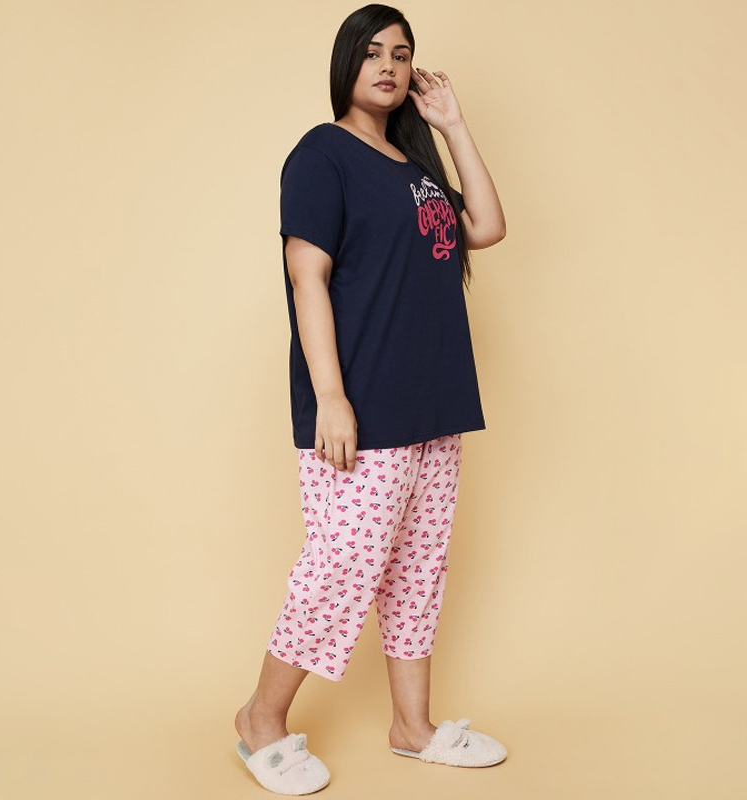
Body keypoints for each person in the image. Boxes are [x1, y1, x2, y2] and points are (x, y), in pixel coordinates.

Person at [235, 4, 507, 794]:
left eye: (402, 53)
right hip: (364, 404)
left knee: (419, 565)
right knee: (342, 563)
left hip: (435, 404)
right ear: (346, 62)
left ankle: (412, 728)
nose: (388, 65)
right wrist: (331, 395)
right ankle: (260, 720)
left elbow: (487, 226)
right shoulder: (323, 154)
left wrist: (452, 125)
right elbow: (307, 276)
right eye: (372, 51)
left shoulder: (414, 169)